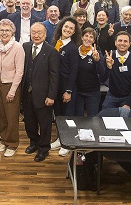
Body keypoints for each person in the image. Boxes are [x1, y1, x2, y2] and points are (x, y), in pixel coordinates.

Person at [22, 22, 59, 162]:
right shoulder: (25, 47)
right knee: (29, 122)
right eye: (33, 32)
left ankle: (44, 148)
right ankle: (34, 143)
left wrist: (51, 96)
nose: (36, 35)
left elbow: (54, 76)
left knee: (44, 124)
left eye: (39, 33)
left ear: (45, 34)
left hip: (44, 96)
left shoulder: (51, 51)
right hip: (26, 94)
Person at [0, 18, 25, 158]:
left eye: (7, 30)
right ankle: (4, 140)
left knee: (12, 116)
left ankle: (13, 143)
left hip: (11, 85)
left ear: (12, 32)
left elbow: (20, 71)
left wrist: (12, 91)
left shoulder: (17, 47)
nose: (4, 32)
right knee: (2, 115)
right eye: (1, 30)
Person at [49, 17, 80, 157]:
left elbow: (74, 71)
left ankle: (67, 143)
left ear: (74, 32)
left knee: (67, 116)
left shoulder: (72, 48)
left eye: (71, 29)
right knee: (59, 115)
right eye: (66, 27)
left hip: (67, 87)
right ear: (61, 27)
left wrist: (68, 91)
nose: (67, 30)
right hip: (56, 85)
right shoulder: (56, 43)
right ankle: (59, 139)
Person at [102, 31, 131, 110]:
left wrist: (128, 103)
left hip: (128, 97)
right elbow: (103, 79)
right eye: (120, 41)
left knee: (125, 117)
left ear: (129, 44)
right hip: (112, 96)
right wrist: (108, 67)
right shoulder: (109, 56)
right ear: (115, 42)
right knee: (105, 116)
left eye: (125, 41)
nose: (122, 43)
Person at [74, 28, 106, 117]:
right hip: (77, 92)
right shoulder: (75, 51)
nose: (88, 39)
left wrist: (97, 61)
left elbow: (103, 74)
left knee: (92, 119)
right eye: (86, 36)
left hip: (93, 92)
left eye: (91, 37)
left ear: (94, 40)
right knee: (78, 119)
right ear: (81, 37)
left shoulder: (97, 53)